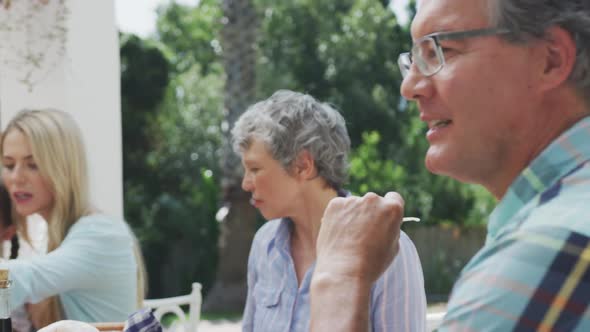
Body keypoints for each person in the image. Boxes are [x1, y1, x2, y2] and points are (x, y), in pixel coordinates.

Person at [310, 0, 590, 330]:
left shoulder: (546, 249)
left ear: (550, 59)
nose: (410, 87)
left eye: (442, 50)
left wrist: (339, 275)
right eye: (413, 59)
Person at [233, 90, 426, 331]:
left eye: (254, 168)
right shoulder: (264, 244)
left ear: (303, 165)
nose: (245, 184)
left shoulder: (388, 246)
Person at [0, 109, 146, 329]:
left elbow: (17, 281)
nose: (16, 178)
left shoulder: (102, 234)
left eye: (33, 164)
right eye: (9, 165)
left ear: (62, 168)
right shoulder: (53, 237)